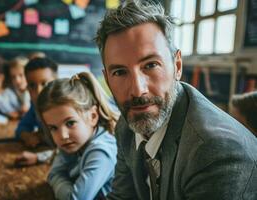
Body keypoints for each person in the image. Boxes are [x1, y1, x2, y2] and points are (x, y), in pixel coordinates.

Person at [95, 1, 257, 199]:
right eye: (120, 72)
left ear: (177, 66)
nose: (138, 91)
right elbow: (122, 197)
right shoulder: (126, 125)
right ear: (107, 80)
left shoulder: (216, 152)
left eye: (150, 65)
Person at [36, 72, 118, 199]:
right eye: (53, 128)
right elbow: (53, 173)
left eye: (70, 123)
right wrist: (57, 175)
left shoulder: (102, 151)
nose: (63, 135)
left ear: (93, 116)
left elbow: (74, 198)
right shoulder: (75, 143)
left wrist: (57, 176)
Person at [15, 57, 58, 148]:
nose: (38, 91)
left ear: (56, 83)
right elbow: (22, 127)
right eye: (32, 85)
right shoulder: (35, 107)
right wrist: (27, 136)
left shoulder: (66, 108)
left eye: (45, 84)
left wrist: (42, 137)